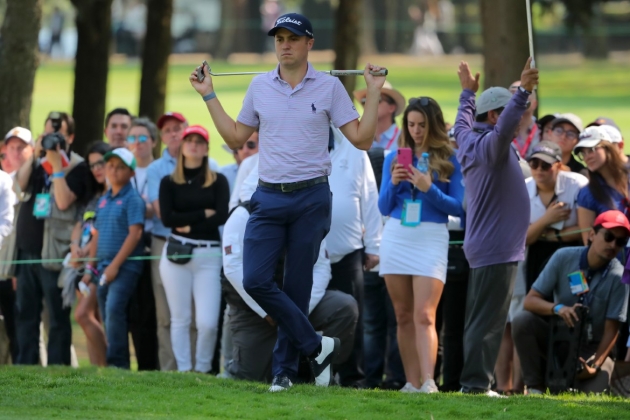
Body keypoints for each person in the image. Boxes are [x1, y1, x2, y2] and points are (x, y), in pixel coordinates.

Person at [190, 12, 384, 391]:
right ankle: (316, 345)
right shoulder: (260, 87)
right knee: (256, 279)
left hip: (312, 196)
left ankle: (284, 372)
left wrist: (374, 92)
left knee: (297, 287)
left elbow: (361, 139)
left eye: (292, 38)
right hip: (268, 196)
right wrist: (209, 95)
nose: (284, 45)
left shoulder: (329, 87)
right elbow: (234, 136)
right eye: (279, 39)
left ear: (309, 43)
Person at [221, 164, 358, 383]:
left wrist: (294, 313)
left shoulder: (303, 213)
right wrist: (270, 311)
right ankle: (315, 347)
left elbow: (322, 267)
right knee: (249, 376)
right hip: (253, 312)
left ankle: (306, 372)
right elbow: (233, 269)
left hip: (296, 303)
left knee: (344, 306)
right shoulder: (240, 216)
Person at [454, 58, 538, 395]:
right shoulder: (492, 146)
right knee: (487, 322)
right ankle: (475, 385)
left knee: (481, 320)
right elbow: (504, 129)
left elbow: (461, 120)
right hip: (496, 248)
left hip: (487, 245)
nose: (518, 122)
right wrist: (524, 92)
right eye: (510, 114)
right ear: (494, 117)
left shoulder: (467, 137)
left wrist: (466, 93)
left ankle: (474, 383)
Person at [378, 97, 464, 393]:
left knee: (425, 315)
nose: (416, 131)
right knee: (402, 315)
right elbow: (383, 206)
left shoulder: (450, 157)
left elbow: (459, 208)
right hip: (397, 234)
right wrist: (392, 182)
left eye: (422, 125)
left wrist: (429, 189)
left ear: (434, 125)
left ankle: (429, 381)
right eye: (411, 124)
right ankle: (411, 382)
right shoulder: (394, 157)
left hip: (430, 235)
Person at [494, 141, 588, 394]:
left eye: (545, 164)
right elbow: (519, 237)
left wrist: (542, 232)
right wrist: (547, 220)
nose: (538, 169)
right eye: (533, 163)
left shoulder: (577, 184)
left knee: (571, 308)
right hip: (530, 257)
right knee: (521, 317)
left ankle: (563, 378)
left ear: (558, 165)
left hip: (568, 258)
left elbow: (582, 231)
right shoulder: (522, 189)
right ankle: (517, 386)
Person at [512, 210, 630, 394]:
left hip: (593, 350)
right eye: (608, 236)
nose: (613, 244)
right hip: (560, 340)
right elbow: (530, 301)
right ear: (591, 234)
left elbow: (612, 330)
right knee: (522, 321)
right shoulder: (563, 257)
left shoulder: (619, 276)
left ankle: (588, 378)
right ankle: (535, 388)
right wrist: (558, 309)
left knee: (591, 398)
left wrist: (595, 366)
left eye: (620, 241)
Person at [14, 112, 89, 366]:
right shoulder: (37, 163)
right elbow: (20, 187)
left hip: (54, 253)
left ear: (70, 137)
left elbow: (63, 200)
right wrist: (35, 155)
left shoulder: (78, 167)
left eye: (57, 135)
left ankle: (59, 370)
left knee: (57, 318)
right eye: (47, 134)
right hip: (26, 251)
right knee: (26, 314)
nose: (51, 140)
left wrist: (57, 164)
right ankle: (27, 368)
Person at [158, 125, 229, 373]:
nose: (194, 145)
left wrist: (187, 220)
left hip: (209, 255)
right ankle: (184, 371)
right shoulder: (168, 182)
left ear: (207, 148)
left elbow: (220, 215)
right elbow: (168, 218)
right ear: (183, 146)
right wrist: (202, 213)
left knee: (207, 322)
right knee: (180, 319)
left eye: (200, 141)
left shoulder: (218, 181)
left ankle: (202, 369)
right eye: (190, 141)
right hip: (177, 254)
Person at [326, 125, 382, 387]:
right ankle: (311, 374)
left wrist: (373, 245)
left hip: (348, 250)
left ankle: (352, 379)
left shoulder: (354, 147)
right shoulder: (298, 141)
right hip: (307, 251)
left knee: (353, 318)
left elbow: (369, 197)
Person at [82, 148, 145, 369]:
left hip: (125, 266)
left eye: (120, 167)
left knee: (114, 308)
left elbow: (135, 233)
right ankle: (114, 360)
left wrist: (115, 266)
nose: (114, 170)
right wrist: (91, 268)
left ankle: (118, 363)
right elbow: (96, 235)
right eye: (111, 166)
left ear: (131, 173)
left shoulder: (133, 199)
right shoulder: (103, 200)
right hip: (103, 267)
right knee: (107, 311)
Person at [71, 141, 111, 367]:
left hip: (100, 264)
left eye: (101, 163)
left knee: (83, 315)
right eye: (92, 165)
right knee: (90, 317)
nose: (97, 168)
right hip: (82, 263)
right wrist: (75, 245)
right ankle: (98, 374)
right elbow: (79, 223)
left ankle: (109, 365)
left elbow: (103, 231)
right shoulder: (93, 197)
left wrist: (88, 253)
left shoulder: (114, 195)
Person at [126, 117, 159, 371]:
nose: (137, 143)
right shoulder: (121, 170)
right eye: (132, 138)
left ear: (153, 142)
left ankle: (154, 365)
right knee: (132, 311)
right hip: (127, 246)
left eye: (142, 138)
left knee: (152, 309)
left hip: (154, 246)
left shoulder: (161, 169)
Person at [0, 127, 33, 363]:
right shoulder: (4, 179)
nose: (17, 152)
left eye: (22, 147)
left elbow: (8, 224)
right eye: (12, 147)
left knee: (19, 323)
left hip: (14, 264)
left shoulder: (33, 179)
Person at [576, 126, 628, 245]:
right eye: (583, 153)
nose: (587, 157)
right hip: (615, 260)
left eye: (592, 150)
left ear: (608, 148)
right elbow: (589, 245)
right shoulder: (587, 193)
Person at [354, 81, 405, 151]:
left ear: (392, 108)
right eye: (364, 101)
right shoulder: (359, 138)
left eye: (377, 99)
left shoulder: (404, 138)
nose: (368, 104)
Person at [508, 80, 540, 159]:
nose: (519, 98)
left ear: (534, 104)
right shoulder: (497, 129)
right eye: (513, 93)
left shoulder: (544, 130)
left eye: (525, 93)